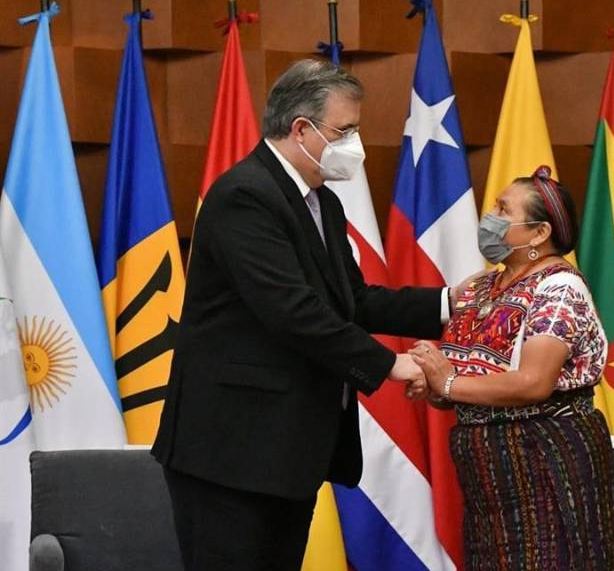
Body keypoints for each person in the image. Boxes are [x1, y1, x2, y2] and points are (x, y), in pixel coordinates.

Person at [151, 59, 459, 571]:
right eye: (345, 130)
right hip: (231, 450)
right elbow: (291, 311)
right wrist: (390, 365)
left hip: (287, 451)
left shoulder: (322, 202)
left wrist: (450, 303)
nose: (355, 144)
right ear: (301, 129)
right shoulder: (244, 195)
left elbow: (352, 301)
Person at [411, 167, 614, 570]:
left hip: (545, 456)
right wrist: (436, 386)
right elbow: (463, 380)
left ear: (539, 233)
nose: (490, 217)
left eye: (503, 210)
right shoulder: (479, 288)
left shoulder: (559, 287)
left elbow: (533, 382)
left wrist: (448, 383)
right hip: (488, 469)